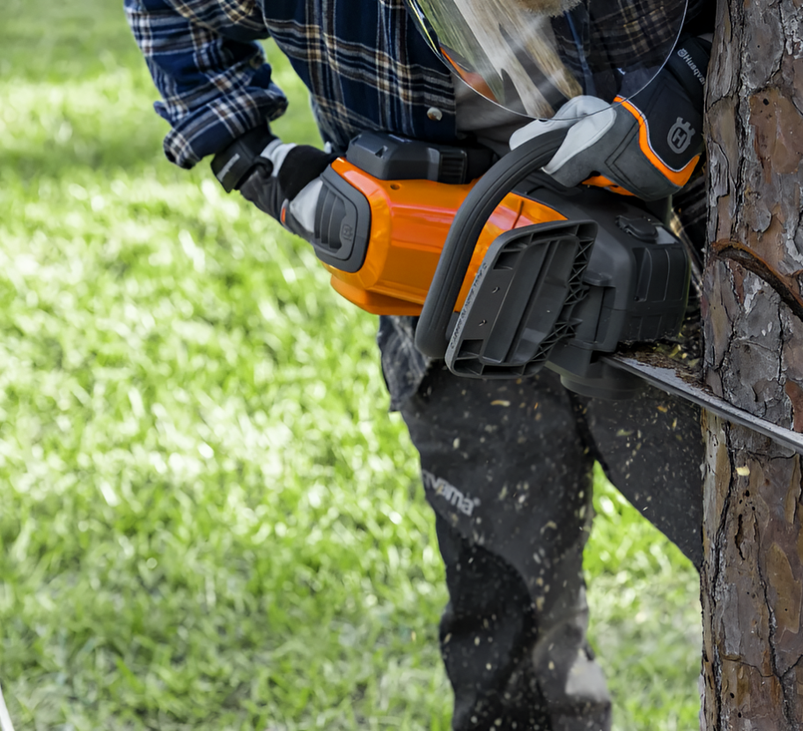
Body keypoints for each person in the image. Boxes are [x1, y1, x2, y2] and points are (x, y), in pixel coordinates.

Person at [125, 1, 712, 727]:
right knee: (508, 636)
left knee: (772, 566)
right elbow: (171, 11)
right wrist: (261, 164)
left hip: (673, 282)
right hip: (455, 302)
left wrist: (688, 84)